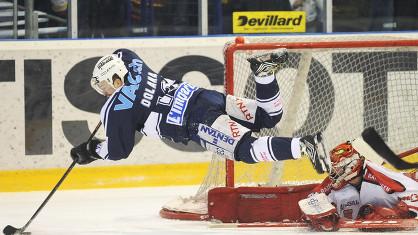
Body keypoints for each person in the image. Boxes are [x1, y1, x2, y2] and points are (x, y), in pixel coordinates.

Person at [70, 48, 328, 174]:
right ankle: (264, 75)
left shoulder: (117, 109)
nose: (103, 90)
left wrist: (92, 150)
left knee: (246, 150)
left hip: (198, 122)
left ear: (116, 78)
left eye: (104, 84)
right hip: (206, 98)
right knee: (267, 116)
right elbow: (122, 52)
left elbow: (118, 151)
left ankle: (304, 146)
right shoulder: (135, 66)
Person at [298, 141, 418, 231]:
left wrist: (401, 215)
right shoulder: (343, 180)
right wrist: (317, 214)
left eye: (338, 169)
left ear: (352, 166)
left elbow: (412, 190)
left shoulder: (379, 177)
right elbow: (312, 198)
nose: (334, 174)